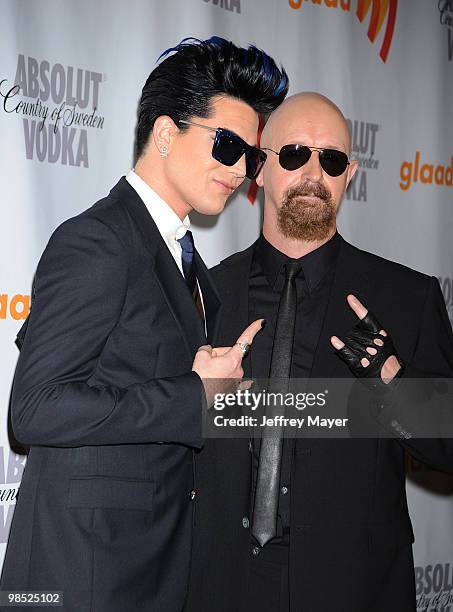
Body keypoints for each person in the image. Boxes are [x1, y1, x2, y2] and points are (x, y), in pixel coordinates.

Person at [0, 37, 288, 611]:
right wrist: (192, 396)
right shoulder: (99, 241)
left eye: (251, 158)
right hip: (82, 575)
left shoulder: (186, 262)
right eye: (227, 146)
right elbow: (33, 409)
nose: (241, 172)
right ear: (164, 134)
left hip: (151, 565)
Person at [185, 92, 453, 612]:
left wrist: (393, 382)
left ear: (349, 175)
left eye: (330, 159)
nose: (313, 172)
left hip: (352, 585)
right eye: (293, 154)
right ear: (258, 169)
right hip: (220, 583)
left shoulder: (407, 298)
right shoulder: (203, 295)